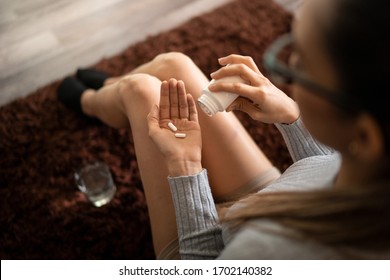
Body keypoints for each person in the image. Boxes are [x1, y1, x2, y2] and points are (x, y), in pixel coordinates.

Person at [57, 0, 390, 259]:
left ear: (364, 135)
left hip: (209, 244)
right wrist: (292, 118)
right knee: (174, 64)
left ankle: (94, 101)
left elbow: (202, 262)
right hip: (272, 200)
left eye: (302, 66)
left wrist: (185, 166)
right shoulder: (375, 166)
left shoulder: (279, 253)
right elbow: (334, 163)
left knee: (141, 90)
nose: (286, 73)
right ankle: (111, 92)